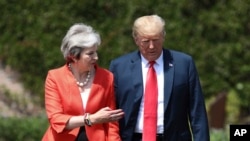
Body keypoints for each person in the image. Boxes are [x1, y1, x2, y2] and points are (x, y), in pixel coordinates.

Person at [109, 15, 210, 141]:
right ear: (136, 40)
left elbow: (197, 111)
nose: (151, 46)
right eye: (146, 41)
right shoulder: (119, 67)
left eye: (156, 40)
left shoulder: (183, 64)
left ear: (163, 37)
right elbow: (111, 110)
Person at [42, 23, 124, 141]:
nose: (96, 57)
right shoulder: (55, 77)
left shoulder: (107, 77)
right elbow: (56, 119)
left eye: (96, 52)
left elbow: (112, 122)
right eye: (90, 53)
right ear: (73, 56)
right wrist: (91, 119)